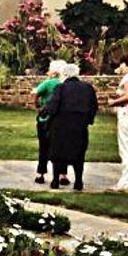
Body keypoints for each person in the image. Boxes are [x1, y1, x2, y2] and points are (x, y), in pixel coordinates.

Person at [45, 63, 98, 191]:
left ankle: (55, 181)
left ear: (65, 75)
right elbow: (94, 106)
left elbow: (53, 106)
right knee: (79, 155)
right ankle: (78, 182)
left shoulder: (60, 88)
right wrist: (88, 120)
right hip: (80, 126)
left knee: (57, 153)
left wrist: (48, 119)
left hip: (60, 126)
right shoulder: (88, 88)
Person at [31, 60, 68, 185]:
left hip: (45, 118)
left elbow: (35, 93)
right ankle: (63, 175)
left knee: (44, 147)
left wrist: (38, 106)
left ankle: (41, 173)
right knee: (61, 147)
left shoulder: (48, 83)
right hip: (60, 120)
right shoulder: (64, 84)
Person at [107, 59, 128, 192]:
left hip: (127, 117)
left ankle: (124, 184)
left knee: (126, 150)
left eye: (122, 64)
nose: (120, 67)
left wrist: (113, 102)